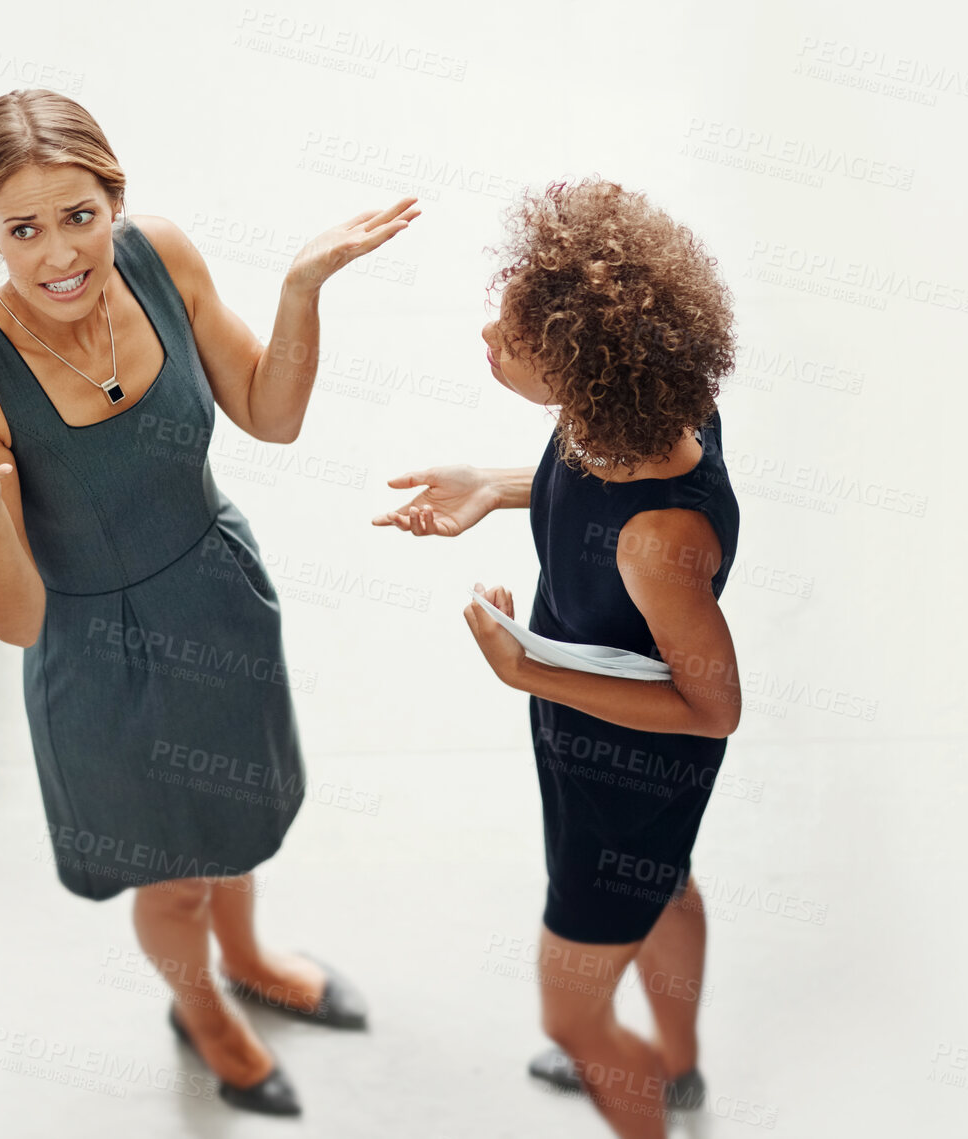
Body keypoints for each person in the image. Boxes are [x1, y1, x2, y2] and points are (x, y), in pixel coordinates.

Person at [0, 89, 420, 1116]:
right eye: (22, 229)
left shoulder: (161, 257)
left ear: (115, 200)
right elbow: (19, 620)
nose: (57, 255)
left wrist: (301, 288)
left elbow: (272, 411)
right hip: (94, 654)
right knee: (174, 879)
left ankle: (253, 954)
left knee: (237, 832)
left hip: (216, 598)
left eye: (79, 216)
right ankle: (202, 1007)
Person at [374, 177, 742, 1139]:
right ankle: (679, 1068)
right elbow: (581, 475)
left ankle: (634, 1084)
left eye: (512, 339)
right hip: (609, 753)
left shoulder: (659, 541)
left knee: (572, 1014)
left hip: (622, 773)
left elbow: (714, 709)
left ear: (586, 369)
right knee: (667, 882)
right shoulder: (648, 409)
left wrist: (525, 668)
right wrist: (493, 487)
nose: (487, 338)